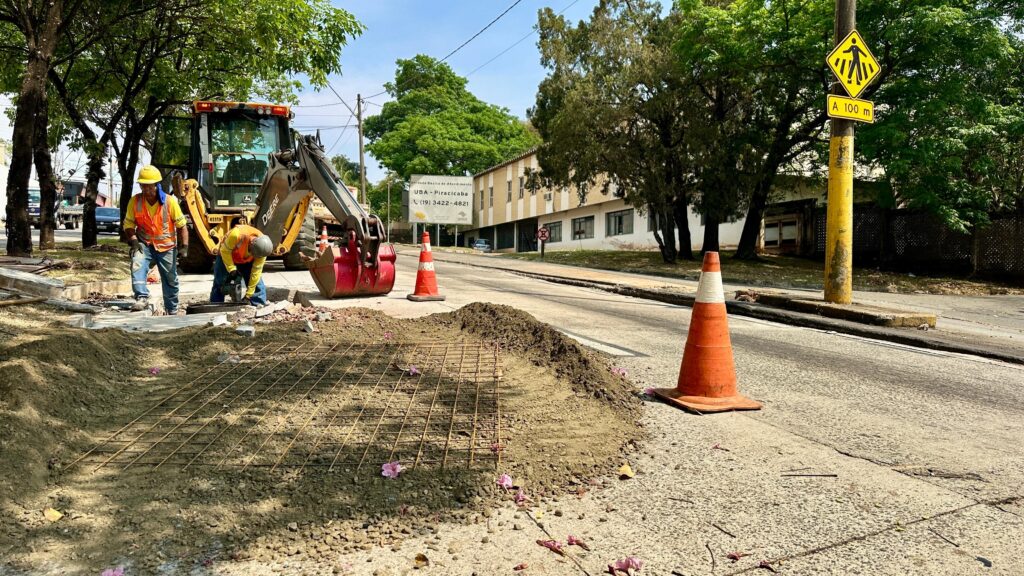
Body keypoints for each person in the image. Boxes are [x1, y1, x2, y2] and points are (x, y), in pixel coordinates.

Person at [123, 165, 189, 313]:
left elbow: (182, 226)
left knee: (170, 278)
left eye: (149, 186)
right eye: (143, 186)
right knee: (137, 263)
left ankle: (171, 308)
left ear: (156, 185)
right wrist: (133, 241)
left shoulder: (170, 202)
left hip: (166, 247)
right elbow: (128, 224)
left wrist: (184, 247)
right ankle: (141, 297)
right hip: (144, 244)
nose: (146, 190)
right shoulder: (135, 201)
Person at [211, 223, 273, 306]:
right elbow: (225, 251)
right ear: (251, 243)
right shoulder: (237, 235)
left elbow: (256, 272)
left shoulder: (263, 250)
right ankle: (216, 305)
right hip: (226, 255)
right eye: (252, 252)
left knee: (257, 282)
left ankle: (258, 304)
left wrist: (248, 295)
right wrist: (231, 269)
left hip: (246, 260)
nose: (253, 255)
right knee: (220, 281)